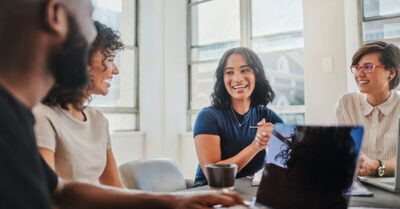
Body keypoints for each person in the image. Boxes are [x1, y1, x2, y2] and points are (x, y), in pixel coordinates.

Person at [0, 0, 244, 208]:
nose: (90, 35)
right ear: (57, 16)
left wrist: (172, 201)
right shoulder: (22, 121)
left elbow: (60, 190)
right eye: (88, 16)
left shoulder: (17, 118)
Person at [33, 20, 124, 187]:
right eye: (110, 59)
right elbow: (51, 194)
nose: (115, 70)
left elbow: (115, 186)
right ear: (84, 61)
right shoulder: (43, 117)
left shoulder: (98, 120)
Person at [193, 47, 283, 187]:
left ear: (256, 75)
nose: (237, 79)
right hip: (210, 192)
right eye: (229, 72)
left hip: (247, 190)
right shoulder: (208, 116)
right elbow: (215, 176)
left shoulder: (264, 114)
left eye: (245, 70)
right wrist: (256, 145)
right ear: (223, 79)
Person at [336, 41, 400, 177]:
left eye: (368, 67)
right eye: (357, 68)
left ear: (391, 73)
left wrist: (377, 166)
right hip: (356, 184)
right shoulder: (347, 103)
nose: (359, 75)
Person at [257, 126, 356, 209]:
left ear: (329, 147)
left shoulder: (333, 201)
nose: (298, 136)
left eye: (310, 132)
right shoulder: (270, 173)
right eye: (300, 129)